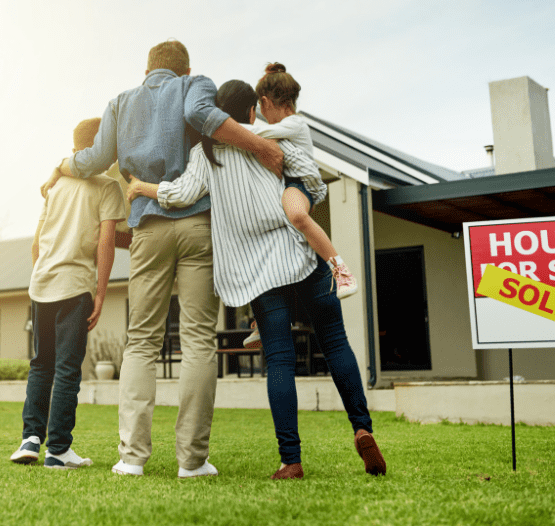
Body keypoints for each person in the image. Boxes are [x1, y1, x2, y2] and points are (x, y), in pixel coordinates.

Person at [41, 40, 283, 479]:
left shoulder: (120, 102)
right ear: (185, 68)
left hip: (147, 229)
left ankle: (132, 458)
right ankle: (192, 461)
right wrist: (261, 147)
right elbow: (201, 117)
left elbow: (96, 159)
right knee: (196, 341)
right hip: (197, 227)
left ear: (147, 69)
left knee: (142, 342)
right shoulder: (195, 84)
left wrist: (63, 164)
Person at [127, 78, 386, 481]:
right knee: (335, 341)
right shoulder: (267, 138)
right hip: (298, 253)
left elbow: (180, 194)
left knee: (280, 359)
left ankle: (291, 460)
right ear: (252, 111)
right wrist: (298, 194)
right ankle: (362, 427)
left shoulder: (204, 153)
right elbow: (310, 180)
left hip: (257, 273)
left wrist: (141, 187)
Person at [10, 117, 128, 469]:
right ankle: (58, 449)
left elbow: (35, 244)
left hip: (41, 285)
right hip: (74, 286)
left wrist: (41, 277)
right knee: (66, 369)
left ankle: (30, 439)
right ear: (99, 148)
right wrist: (101, 293)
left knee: (40, 364)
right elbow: (106, 243)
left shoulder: (55, 186)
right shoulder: (107, 187)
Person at [241, 63, 358, 350]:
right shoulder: (281, 124)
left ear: (266, 102)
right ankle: (259, 319)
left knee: (295, 215)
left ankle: (340, 269)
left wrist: (226, 127)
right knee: (276, 252)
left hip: (299, 186)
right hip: (284, 188)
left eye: (261, 106)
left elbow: (258, 136)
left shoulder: (295, 123)